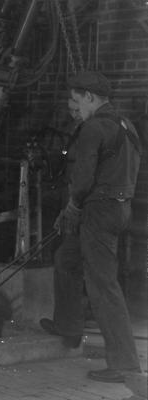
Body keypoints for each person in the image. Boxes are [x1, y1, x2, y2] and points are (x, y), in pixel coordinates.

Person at [40, 71, 142, 383]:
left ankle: (125, 364)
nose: (74, 106)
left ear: (90, 97)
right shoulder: (127, 126)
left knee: (102, 285)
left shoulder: (94, 126)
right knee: (66, 260)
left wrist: (72, 207)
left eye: (76, 99)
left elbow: (83, 179)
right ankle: (68, 327)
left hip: (98, 210)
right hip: (119, 207)